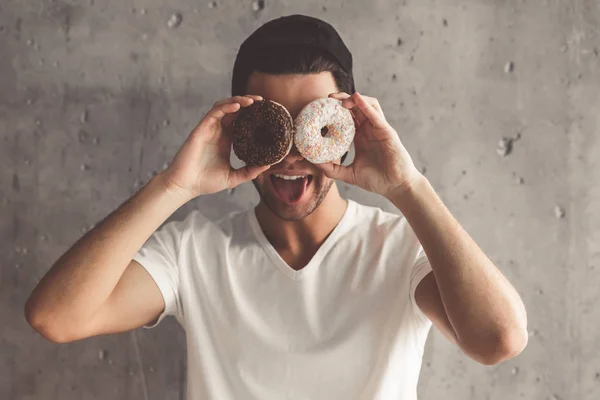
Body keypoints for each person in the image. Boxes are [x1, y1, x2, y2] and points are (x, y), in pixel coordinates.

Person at [25, 14, 528, 400]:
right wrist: (174, 186)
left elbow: (499, 340)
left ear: (349, 126)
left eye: (314, 123)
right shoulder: (195, 252)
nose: (291, 153)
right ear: (237, 127)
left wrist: (406, 185)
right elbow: (55, 318)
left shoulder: (401, 249)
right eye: (271, 124)